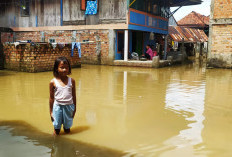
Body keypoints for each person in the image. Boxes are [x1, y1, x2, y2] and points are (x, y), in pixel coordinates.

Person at [49, 56, 76, 135]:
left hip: (69, 106)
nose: (65, 70)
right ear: (56, 69)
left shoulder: (72, 81)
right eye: (62, 67)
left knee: (67, 129)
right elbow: (51, 98)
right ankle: (55, 144)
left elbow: (74, 96)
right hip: (57, 107)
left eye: (67, 67)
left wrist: (75, 109)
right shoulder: (53, 82)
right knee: (56, 129)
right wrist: (51, 112)